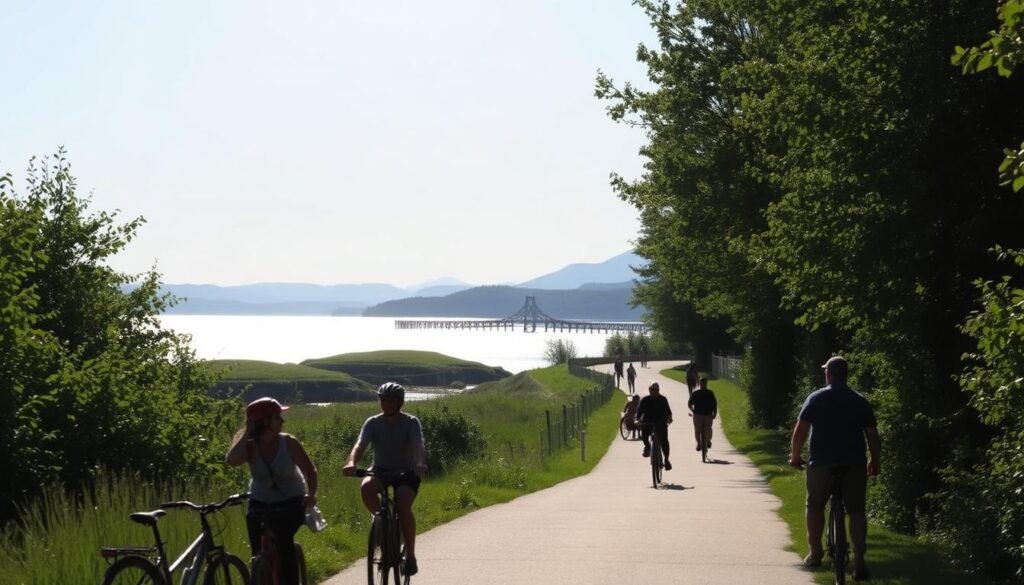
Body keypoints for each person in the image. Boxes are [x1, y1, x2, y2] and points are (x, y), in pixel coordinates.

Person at [788, 356, 880, 582]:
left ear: (828, 374)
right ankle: (859, 560)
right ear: (846, 375)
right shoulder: (859, 400)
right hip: (854, 463)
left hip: (822, 463)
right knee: (856, 510)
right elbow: (872, 435)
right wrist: (874, 460)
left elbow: (800, 431)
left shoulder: (816, 398)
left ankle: (816, 551)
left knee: (816, 503)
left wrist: (795, 456)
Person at [226, 397, 318, 585]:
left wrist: (311, 494)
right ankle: (261, 572)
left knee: (284, 543)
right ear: (264, 421)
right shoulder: (250, 446)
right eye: (277, 417)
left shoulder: (289, 442)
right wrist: (248, 433)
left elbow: (310, 470)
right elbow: (231, 460)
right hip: (260, 501)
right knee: (257, 551)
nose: (282, 421)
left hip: (292, 500)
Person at [343, 382, 429, 576]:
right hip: (380, 470)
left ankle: (411, 556)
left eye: (389, 401)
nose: (385, 404)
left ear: (399, 403)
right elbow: (360, 444)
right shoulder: (373, 422)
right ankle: (380, 522)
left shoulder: (410, 422)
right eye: (382, 400)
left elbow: (418, 444)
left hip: (406, 472)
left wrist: (420, 462)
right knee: (366, 486)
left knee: (403, 501)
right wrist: (351, 462)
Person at [636, 381, 674, 470]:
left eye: (655, 390)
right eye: (651, 389)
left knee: (664, 441)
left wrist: (669, 418)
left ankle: (667, 460)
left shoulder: (663, 399)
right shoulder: (645, 400)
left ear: (658, 390)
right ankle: (647, 446)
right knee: (644, 434)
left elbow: (668, 412)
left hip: (661, 423)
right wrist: (637, 420)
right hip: (647, 422)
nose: (653, 391)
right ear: (649, 390)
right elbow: (639, 412)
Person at [687, 376, 718, 453]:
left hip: (708, 414)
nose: (703, 384)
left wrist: (715, 413)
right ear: (699, 384)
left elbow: (714, 404)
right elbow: (690, 403)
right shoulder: (696, 393)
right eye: (701, 383)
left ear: (706, 384)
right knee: (697, 429)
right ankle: (698, 443)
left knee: (709, 429)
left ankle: (708, 441)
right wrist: (692, 409)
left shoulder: (710, 393)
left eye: (704, 383)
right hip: (697, 414)